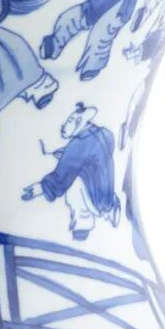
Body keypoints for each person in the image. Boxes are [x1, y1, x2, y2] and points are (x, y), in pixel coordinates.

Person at [22, 103, 121, 241]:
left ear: (79, 122)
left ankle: (81, 230)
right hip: (104, 190)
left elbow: (61, 176)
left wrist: (39, 188)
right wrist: (68, 154)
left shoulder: (79, 145)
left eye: (69, 122)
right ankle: (109, 207)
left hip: (91, 195)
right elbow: (94, 154)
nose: (63, 126)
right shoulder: (104, 133)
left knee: (74, 193)